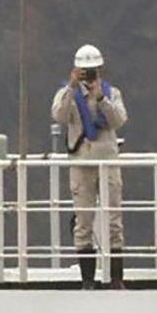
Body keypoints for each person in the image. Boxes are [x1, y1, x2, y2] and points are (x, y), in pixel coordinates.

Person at [52, 42, 127, 283]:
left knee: (114, 221)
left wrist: (101, 99)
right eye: (85, 71)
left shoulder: (111, 93)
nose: (90, 75)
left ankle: (116, 279)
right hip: (82, 163)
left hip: (108, 162)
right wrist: (72, 88)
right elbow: (59, 116)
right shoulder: (68, 95)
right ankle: (87, 280)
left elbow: (119, 120)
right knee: (83, 221)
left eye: (93, 70)